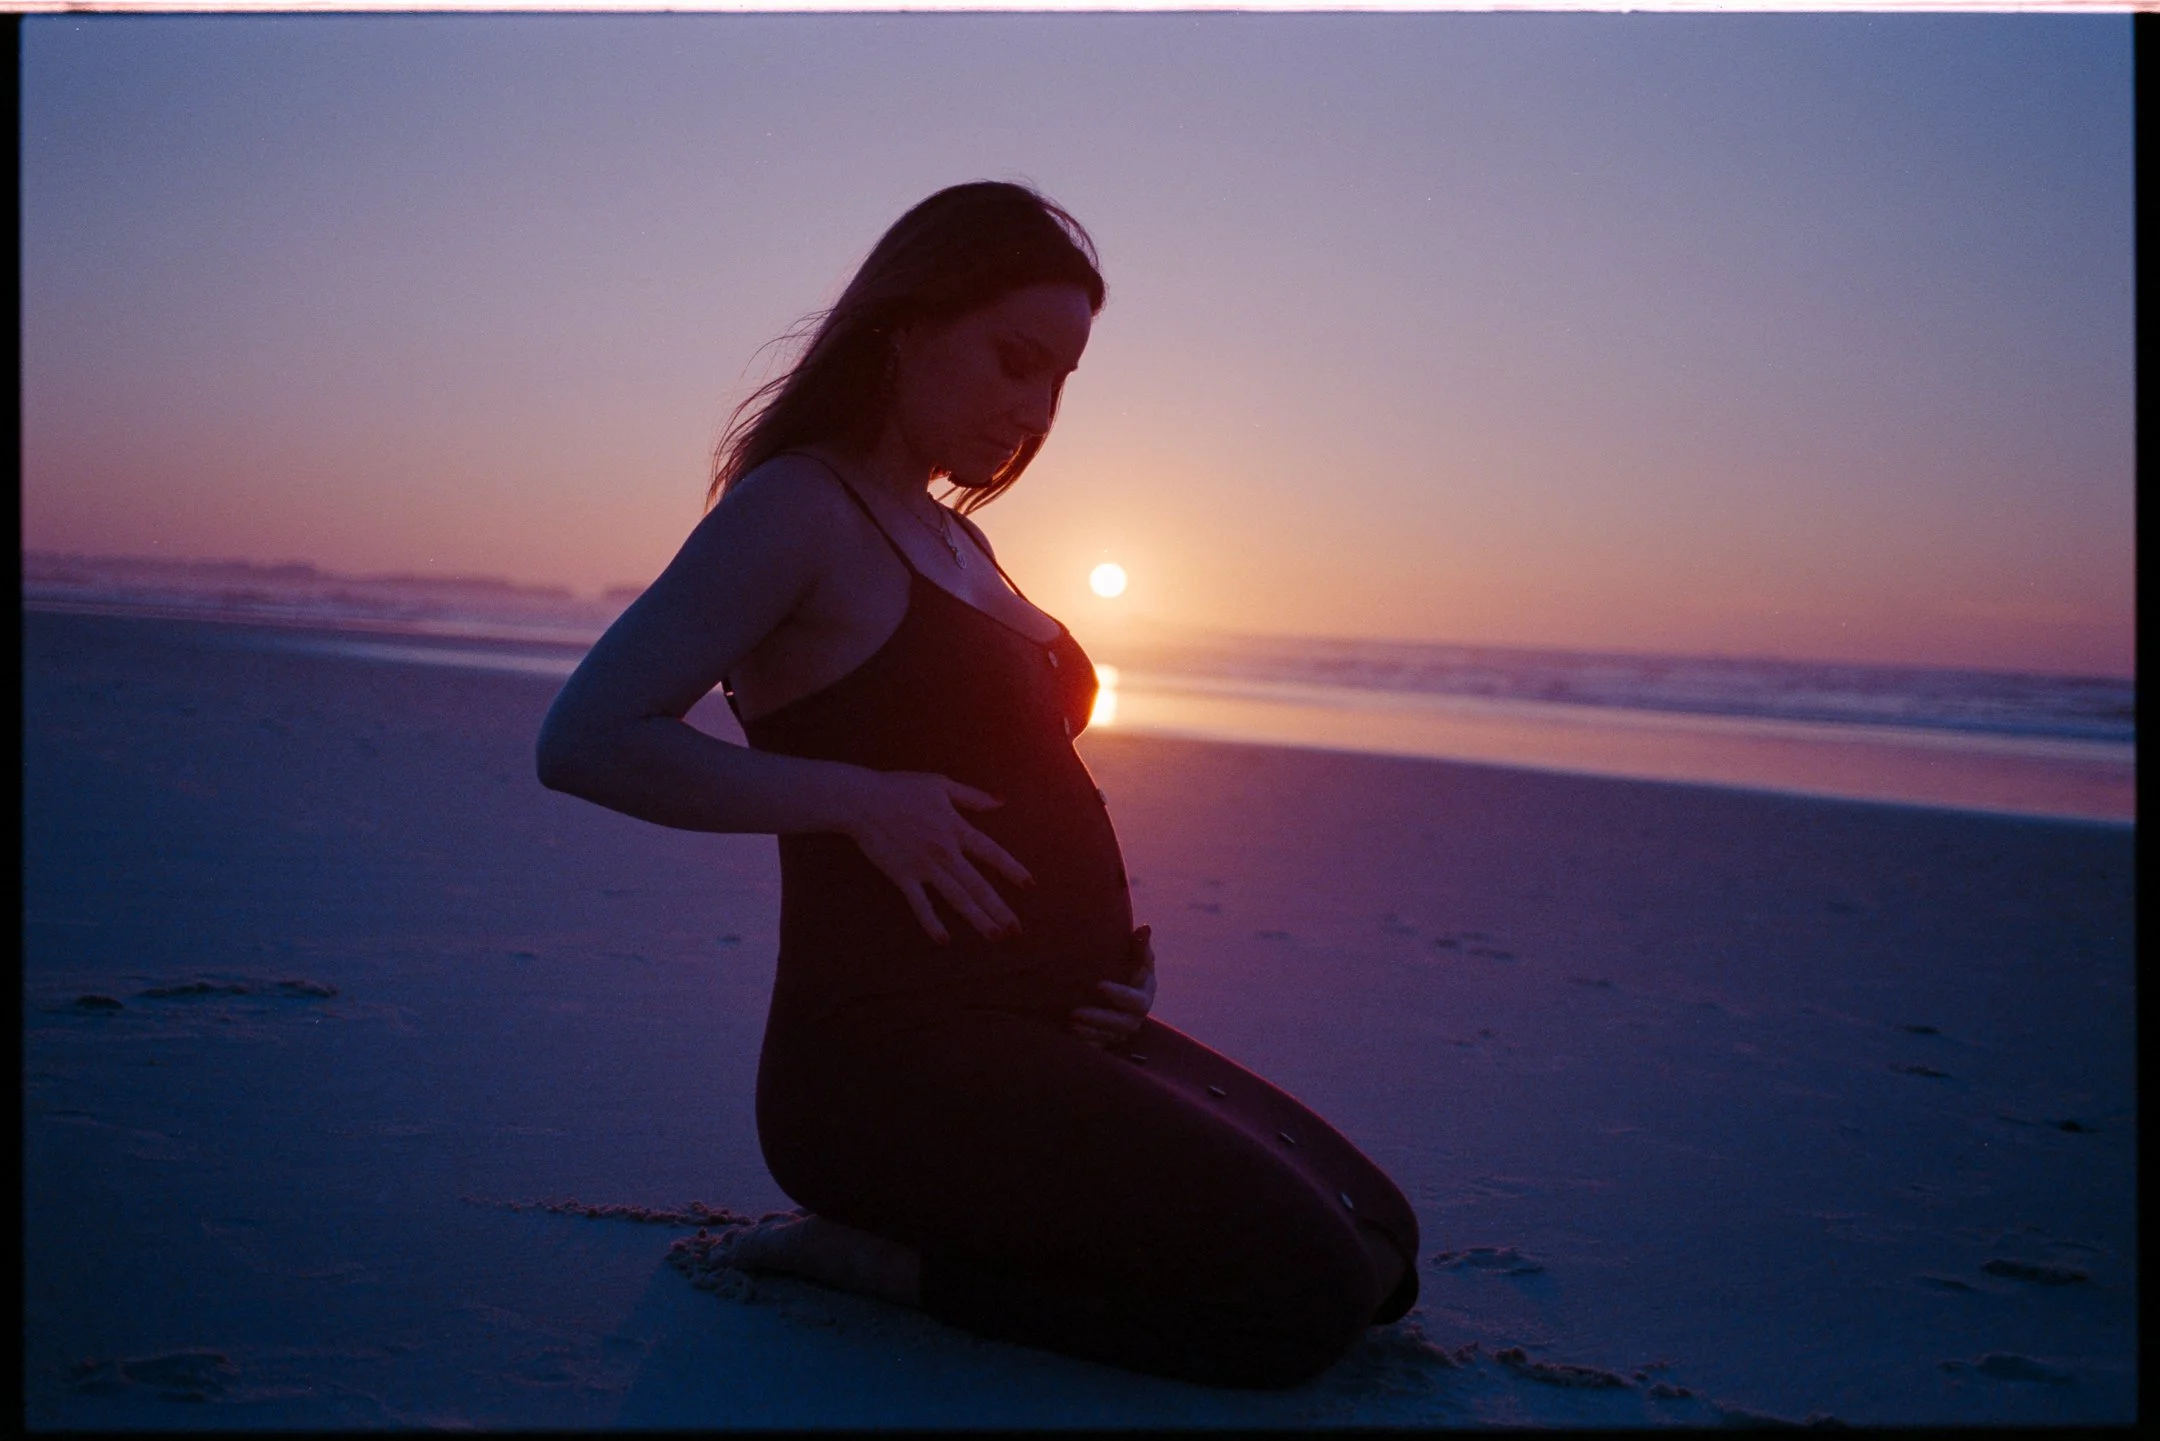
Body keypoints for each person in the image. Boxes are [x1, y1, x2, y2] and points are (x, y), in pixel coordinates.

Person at [535, 181, 1419, 1389]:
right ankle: (877, 1263)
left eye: (1060, 379)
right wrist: (855, 795)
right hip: (886, 1068)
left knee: (1382, 1249)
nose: (1035, 409)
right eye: (1015, 360)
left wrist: (1106, 961)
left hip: (1053, 1032)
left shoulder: (960, 538)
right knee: (1303, 1300)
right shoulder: (800, 506)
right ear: (905, 326)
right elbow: (586, 737)